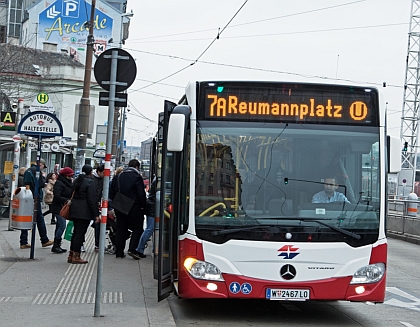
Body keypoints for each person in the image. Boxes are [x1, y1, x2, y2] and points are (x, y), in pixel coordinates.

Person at [109, 159, 147, 259]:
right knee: (138, 228)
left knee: (121, 228)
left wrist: (115, 203)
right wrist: (143, 206)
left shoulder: (118, 176)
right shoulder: (137, 177)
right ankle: (132, 249)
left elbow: (111, 192)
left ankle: (119, 252)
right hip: (134, 207)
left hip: (119, 206)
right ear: (137, 167)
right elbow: (141, 193)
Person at [68, 164, 99, 264]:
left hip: (75, 209)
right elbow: (92, 200)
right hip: (84, 211)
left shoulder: (77, 180)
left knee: (75, 232)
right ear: (90, 172)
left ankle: (71, 254)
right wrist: (96, 214)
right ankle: (76, 256)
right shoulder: (90, 182)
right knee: (80, 234)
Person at [19, 159, 54, 249]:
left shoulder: (28, 171)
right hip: (35, 197)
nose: (43, 168)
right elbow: (41, 184)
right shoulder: (37, 171)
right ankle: (44, 240)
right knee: (40, 219)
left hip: (27, 197)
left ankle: (23, 241)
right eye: (43, 166)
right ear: (41, 164)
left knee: (26, 219)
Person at [50, 167, 74, 254]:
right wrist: (67, 200)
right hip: (58, 207)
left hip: (62, 206)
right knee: (62, 225)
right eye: (69, 176)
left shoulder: (67, 183)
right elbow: (57, 196)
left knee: (59, 225)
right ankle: (56, 245)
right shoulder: (59, 183)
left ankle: (57, 244)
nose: (71, 177)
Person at [134, 176, 157, 258]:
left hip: (151, 207)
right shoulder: (159, 180)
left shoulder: (156, 179)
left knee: (151, 229)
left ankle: (142, 248)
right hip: (154, 208)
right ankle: (139, 249)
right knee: (150, 229)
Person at [91, 164, 104, 252]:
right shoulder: (92, 179)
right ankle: (80, 244)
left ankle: (97, 245)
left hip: (99, 205)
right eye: (103, 173)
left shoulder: (104, 179)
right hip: (91, 204)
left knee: (98, 224)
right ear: (98, 172)